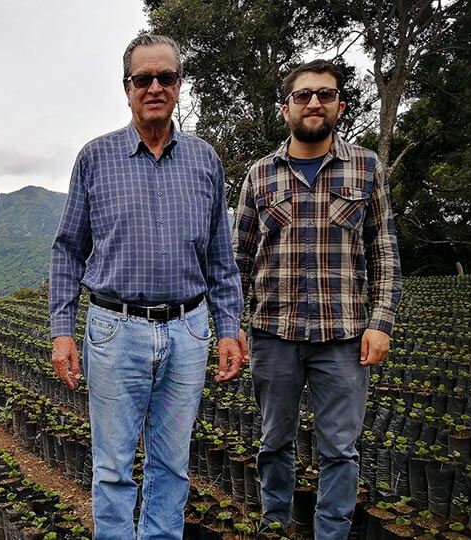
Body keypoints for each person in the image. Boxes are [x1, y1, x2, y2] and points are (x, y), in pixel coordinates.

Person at [49, 34, 245, 539]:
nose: (154, 87)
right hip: (114, 329)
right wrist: (62, 332)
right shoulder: (96, 158)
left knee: (172, 466)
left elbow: (221, 257)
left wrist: (229, 329)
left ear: (179, 86)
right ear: (127, 88)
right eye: (144, 79)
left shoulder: (205, 160)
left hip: (188, 330)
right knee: (113, 469)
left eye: (166, 77)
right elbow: (68, 248)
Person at [232, 59, 402, 539]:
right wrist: (231, 325)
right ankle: (274, 525)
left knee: (340, 450)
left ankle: (332, 533)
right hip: (273, 334)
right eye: (304, 95)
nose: (314, 102)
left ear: (340, 106)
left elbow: (384, 251)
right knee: (273, 443)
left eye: (325, 95)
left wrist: (381, 321)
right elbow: (237, 260)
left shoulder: (367, 167)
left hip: (344, 338)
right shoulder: (260, 174)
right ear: (286, 107)